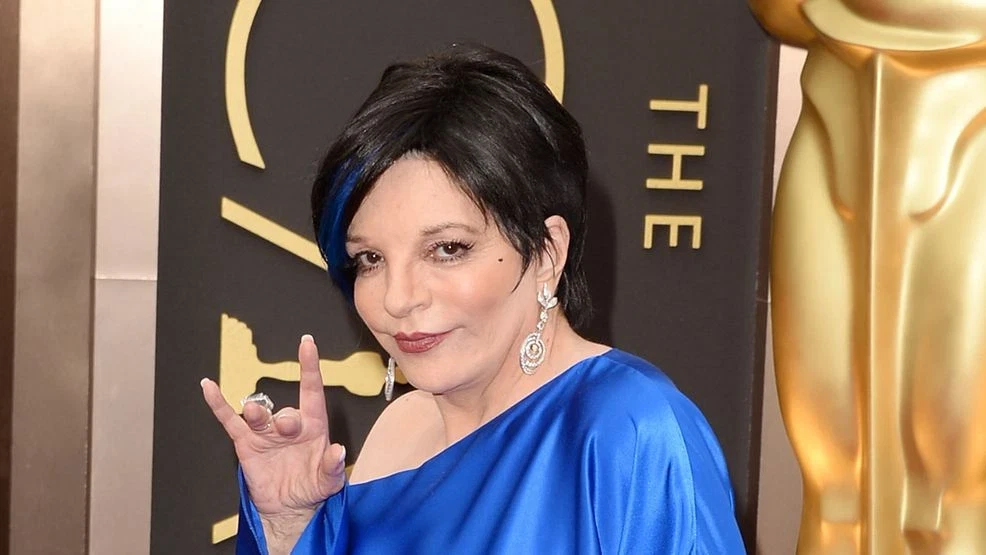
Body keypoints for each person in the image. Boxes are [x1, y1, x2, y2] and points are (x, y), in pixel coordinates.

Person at [201, 44, 745, 554]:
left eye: (447, 249)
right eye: (370, 258)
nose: (398, 298)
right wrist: (288, 525)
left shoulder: (633, 429)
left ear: (547, 252)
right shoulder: (397, 431)